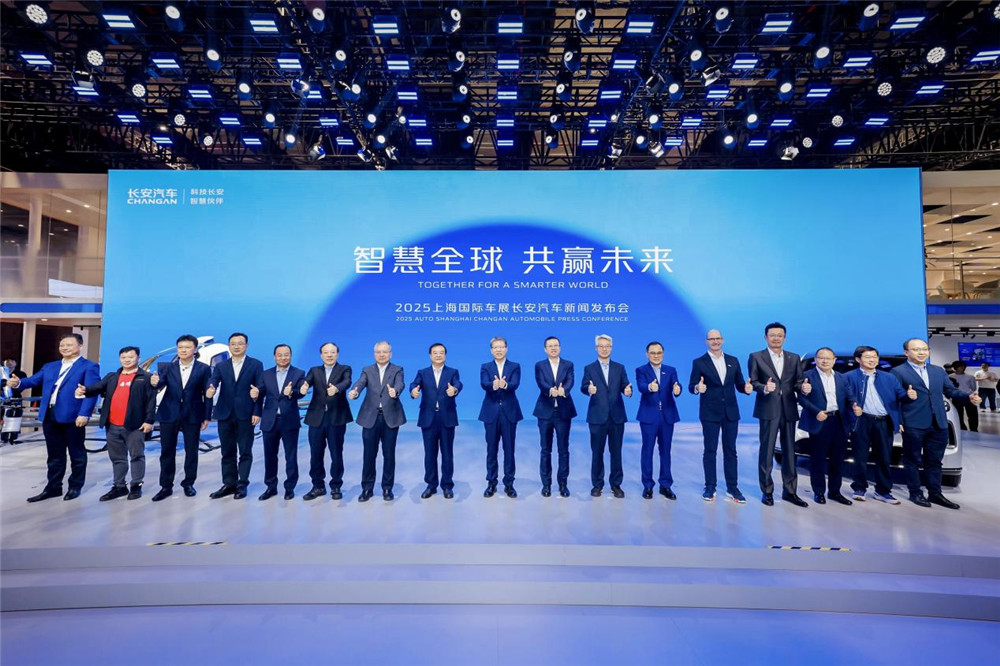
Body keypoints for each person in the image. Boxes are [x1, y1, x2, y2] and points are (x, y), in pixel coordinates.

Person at [8, 333, 100, 501]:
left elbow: (92, 392)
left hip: (73, 417)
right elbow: (32, 381)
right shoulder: (50, 366)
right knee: (54, 455)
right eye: (62, 345)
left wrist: (84, 414)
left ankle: (75, 486)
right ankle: (53, 487)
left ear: (80, 346)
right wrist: (18, 383)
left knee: (77, 454)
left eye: (69, 345)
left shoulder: (89, 366)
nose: (64, 348)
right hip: (50, 415)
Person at [892, 338, 981, 509]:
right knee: (912, 460)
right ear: (906, 352)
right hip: (913, 423)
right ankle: (915, 492)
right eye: (916, 349)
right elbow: (893, 398)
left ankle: (935, 493)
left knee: (935, 461)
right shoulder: (898, 372)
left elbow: (951, 391)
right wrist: (899, 420)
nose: (921, 352)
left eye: (924, 349)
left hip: (938, 422)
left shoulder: (938, 371)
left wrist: (968, 397)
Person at [75, 346, 156, 501]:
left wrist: (149, 421)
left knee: (137, 456)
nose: (127, 360)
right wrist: (84, 389)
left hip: (135, 426)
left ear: (138, 358)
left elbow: (151, 401)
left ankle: (136, 486)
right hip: (112, 425)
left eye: (130, 357)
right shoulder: (112, 377)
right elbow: (96, 388)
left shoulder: (146, 377)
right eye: (123, 357)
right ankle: (119, 486)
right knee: (117, 458)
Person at [747, 322, 809, 507]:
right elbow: (753, 382)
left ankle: (790, 492)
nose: (776, 338)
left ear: (785, 338)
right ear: (766, 337)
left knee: (790, 453)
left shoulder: (794, 357)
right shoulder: (756, 357)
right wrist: (764, 388)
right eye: (772, 335)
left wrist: (803, 388)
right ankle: (767, 491)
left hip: (789, 409)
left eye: (779, 335)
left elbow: (798, 382)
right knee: (767, 451)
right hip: (768, 409)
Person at [689, 329, 752, 503]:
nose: (715, 341)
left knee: (730, 450)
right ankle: (710, 487)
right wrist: (697, 388)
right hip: (709, 413)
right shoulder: (699, 362)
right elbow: (692, 386)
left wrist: (746, 389)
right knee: (710, 450)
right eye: (711, 339)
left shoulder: (733, 360)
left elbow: (740, 384)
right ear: (706, 342)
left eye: (718, 338)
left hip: (730, 412)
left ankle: (733, 488)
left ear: (722, 340)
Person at [843, 345, 910, 505]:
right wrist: (852, 410)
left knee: (884, 457)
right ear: (858, 359)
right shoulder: (848, 377)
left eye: (874, 357)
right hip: (862, 421)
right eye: (868, 357)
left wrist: (908, 396)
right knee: (860, 457)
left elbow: (900, 397)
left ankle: (883, 491)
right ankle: (859, 488)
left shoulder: (889, 378)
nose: (872, 360)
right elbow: (844, 399)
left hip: (883, 421)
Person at [149, 334, 213, 501]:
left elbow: (208, 393)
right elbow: (160, 384)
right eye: (180, 347)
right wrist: (155, 382)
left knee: (191, 451)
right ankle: (166, 486)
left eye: (187, 347)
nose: (183, 350)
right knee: (167, 451)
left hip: (193, 414)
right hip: (169, 413)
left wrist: (207, 416)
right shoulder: (168, 367)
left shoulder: (204, 369)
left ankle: (188, 483)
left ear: (195, 349)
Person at [207, 332, 263, 500]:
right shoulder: (221, 366)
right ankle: (229, 484)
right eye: (233, 344)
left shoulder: (255, 364)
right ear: (229, 346)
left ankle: (242, 485)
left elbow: (259, 389)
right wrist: (211, 387)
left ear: (246, 345)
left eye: (240, 343)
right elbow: (213, 380)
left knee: (245, 451)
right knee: (227, 452)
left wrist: (257, 411)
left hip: (246, 414)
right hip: (225, 414)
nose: (236, 346)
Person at [349, 341, 405, 502]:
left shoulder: (397, 369)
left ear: (390, 354)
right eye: (378, 352)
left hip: (390, 418)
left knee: (389, 455)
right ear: (374, 354)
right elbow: (360, 383)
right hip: (370, 418)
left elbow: (400, 384)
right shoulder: (367, 369)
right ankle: (367, 489)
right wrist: (355, 391)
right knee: (369, 455)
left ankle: (387, 488)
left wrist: (395, 391)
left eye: (385, 352)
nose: (381, 354)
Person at [797, 348, 851, 505]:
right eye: (821, 358)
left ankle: (835, 492)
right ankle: (819, 492)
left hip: (839, 420)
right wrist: (816, 412)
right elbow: (801, 398)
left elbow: (850, 396)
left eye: (828, 358)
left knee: (837, 459)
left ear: (834, 360)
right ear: (816, 359)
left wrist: (855, 406)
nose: (825, 361)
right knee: (818, 459)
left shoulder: (841, 377)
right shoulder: (806, 376)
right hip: (819, 420)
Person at [581, 334, 632, 498]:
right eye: (601, 346)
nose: (604, 349)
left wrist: (628, 391)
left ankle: (616, 485)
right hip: (597, 416)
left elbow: (626, 386)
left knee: (616, 452)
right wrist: (589, 390)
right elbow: (583, 386)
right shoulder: (589, 368)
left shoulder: (619, 368)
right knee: (597, 452)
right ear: (596, 348)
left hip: (616, 417)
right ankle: (597, 485)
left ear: (611, 348)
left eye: (607, 346)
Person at [300, 342, 353, 501]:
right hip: (316, 418)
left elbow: (347, 382)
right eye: (326, 352)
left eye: (332, 352)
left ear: (337, 354)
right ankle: (318, 486)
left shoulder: (344, 369)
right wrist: (303, 386)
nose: (329, 355)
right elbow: (306, 381)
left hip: (336, 418)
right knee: (315, 454)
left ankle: (336, 486)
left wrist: (336, 388)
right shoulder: (314, 370)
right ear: (321, 355)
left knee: (336, 453)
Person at [409, 343, 462, 499]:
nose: (438, 355)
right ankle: (431, 485)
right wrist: (413, 391)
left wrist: (454, 390)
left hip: (447, 418)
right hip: (428, 418)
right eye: (435, 352)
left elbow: (458, 384)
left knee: (447, 454)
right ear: (430, 355)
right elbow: (414, 384)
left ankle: (447, 486)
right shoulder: (423, 372)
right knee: (430, 454)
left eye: (441, 352)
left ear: (445, 355)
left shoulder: (452, 372)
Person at [257, 344, 305, 500]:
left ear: (290, 355)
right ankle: (271, 487)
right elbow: (260, 393)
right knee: (270, 456)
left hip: (289, 420)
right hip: (270, 420)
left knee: (291, 456)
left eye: (286, 354)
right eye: (280, 355)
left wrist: (292, 392)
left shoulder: (298, 373)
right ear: (274, 356)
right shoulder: (266, 374)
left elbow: (301, 393)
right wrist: (255, 393)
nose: (283, 357)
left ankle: (290, 487)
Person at [635, 341, 682, 500]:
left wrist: (678, 390)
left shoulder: (671, 370)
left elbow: (677, 385)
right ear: (647, 354)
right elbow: (641, 386)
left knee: (666, 451)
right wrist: (650, 387)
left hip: (667, 416)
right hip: (649, 417)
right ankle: (648, 485)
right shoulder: (641, 370)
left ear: (663, 354)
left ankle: (665, 485)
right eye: (653, 353)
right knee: (647, 450)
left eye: (659, 353)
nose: (656, 356)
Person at [532, 336, 576, 498]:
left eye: (556, 345)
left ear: (560, 347)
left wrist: (564, 390)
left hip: (563, 412)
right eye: (550, 346)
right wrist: (550, 390)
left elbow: (570, 381)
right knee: (545, 450)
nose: (553, 348)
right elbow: (541, 382)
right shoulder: (540, 365)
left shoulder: (568, 364)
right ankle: (546, 484)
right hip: (545, 412)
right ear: (545, 349)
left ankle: (563, 484)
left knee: (563, 450)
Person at [478, 337, 523, 498]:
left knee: (509, 450)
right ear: (491, 350)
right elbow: (484, 383)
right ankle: (491, 483)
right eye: (495, 347)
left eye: (501, 347)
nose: (498, 350)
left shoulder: (514, 366)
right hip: (491, 413)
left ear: (506, 349)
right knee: (491, 450)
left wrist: (505, 385)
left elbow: (515, 383)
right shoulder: (485, 367)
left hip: (509, 413)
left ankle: (509, 484)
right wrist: (493, 385)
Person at [950, 361, 979, 432]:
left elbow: (973, 388)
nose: (962, 368)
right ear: (955, 368)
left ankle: (974, 429)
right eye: (959, 367)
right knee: (958, 415)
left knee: (972, 415)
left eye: (963, 367)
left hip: (969, 396)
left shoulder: (970, 377)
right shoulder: (950, 377)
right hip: (956, 397)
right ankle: (962, 429)